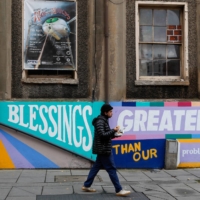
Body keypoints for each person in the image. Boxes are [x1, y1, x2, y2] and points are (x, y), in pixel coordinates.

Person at [82, 103, 131, 197]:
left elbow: (105, 135)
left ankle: (86, 185)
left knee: (96, 167)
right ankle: (119, 190)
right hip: (104, 149)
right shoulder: (100, 121)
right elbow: (102, 135)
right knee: (111, 168)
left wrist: (115, 134)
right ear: (105, 112)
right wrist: (113, 130)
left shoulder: (103, 120)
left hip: (103, 148)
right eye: (110, 111)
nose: (112, 113)